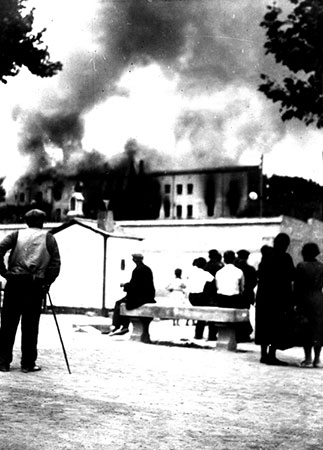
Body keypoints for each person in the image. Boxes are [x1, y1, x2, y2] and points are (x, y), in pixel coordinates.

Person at [0, 209, 61, 373]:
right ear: (42, 222)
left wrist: (4, 273)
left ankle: (3, 362)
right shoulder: (49, 238)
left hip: (14, 283)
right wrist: (47, 282)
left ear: (26, 221)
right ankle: (27, 363)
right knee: (30, 326)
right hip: (35, 285)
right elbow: (55, 264)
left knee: (7, 324)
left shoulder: (15, 235)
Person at [255, 233, 295, 365]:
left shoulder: (266, 256)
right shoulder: (285, 257)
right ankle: (271, 355)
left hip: (264, 296)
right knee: (277, 326)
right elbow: (292, 276)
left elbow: (259, 274)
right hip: (279, 297)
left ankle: (263, 355)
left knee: (264, 324)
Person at [108, 253, 156, 336]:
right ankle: (121, 327)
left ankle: (120, 326)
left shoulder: (137, 270)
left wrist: (125, 285)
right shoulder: (147, 269)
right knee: (124, 302)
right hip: (148, 296)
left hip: (140, 297)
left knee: (119, 303)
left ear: (134, 260)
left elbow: (134, 286)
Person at [294, 242, 323, 368]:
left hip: (305, 299)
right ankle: (317, 359)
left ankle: (308, 359)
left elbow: (297, 286)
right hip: (319, 299)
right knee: (318, 330)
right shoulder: (322, 266)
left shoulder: (301, 266)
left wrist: (295, 302)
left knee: (306, 329)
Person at [186, 257, 217, 340]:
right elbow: (213, 282)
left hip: (191, 297)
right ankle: (212, 335)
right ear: (204, 265)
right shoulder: (206, 274)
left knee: (201, 316)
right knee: (210, 313)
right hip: (201, 296)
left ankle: (198, 334)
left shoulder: (190, 273)